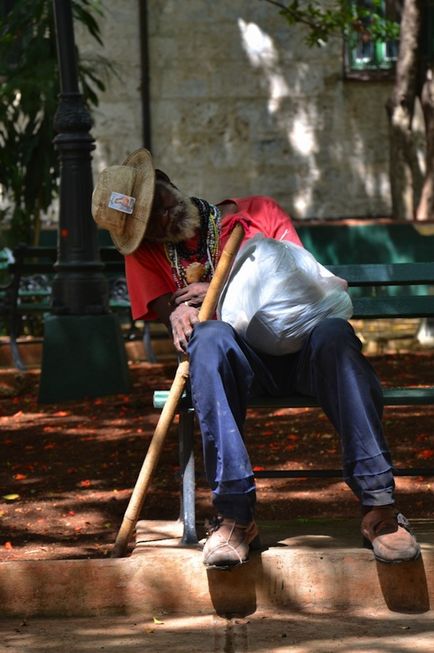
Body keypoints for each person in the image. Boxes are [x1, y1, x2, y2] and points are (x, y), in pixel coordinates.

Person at [92, 147, 420, 569]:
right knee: (207, 339)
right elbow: (167, 310)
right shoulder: (146, 254)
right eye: (148, 222)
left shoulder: (257, 213)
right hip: (239, 367)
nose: (161, 216)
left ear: (166, 179)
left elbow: (302, 286)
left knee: (336, 335)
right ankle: (235, 516)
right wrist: (179, 312)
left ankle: (380, 506)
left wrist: (219, 287)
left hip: (306, 352)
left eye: (161, 200)